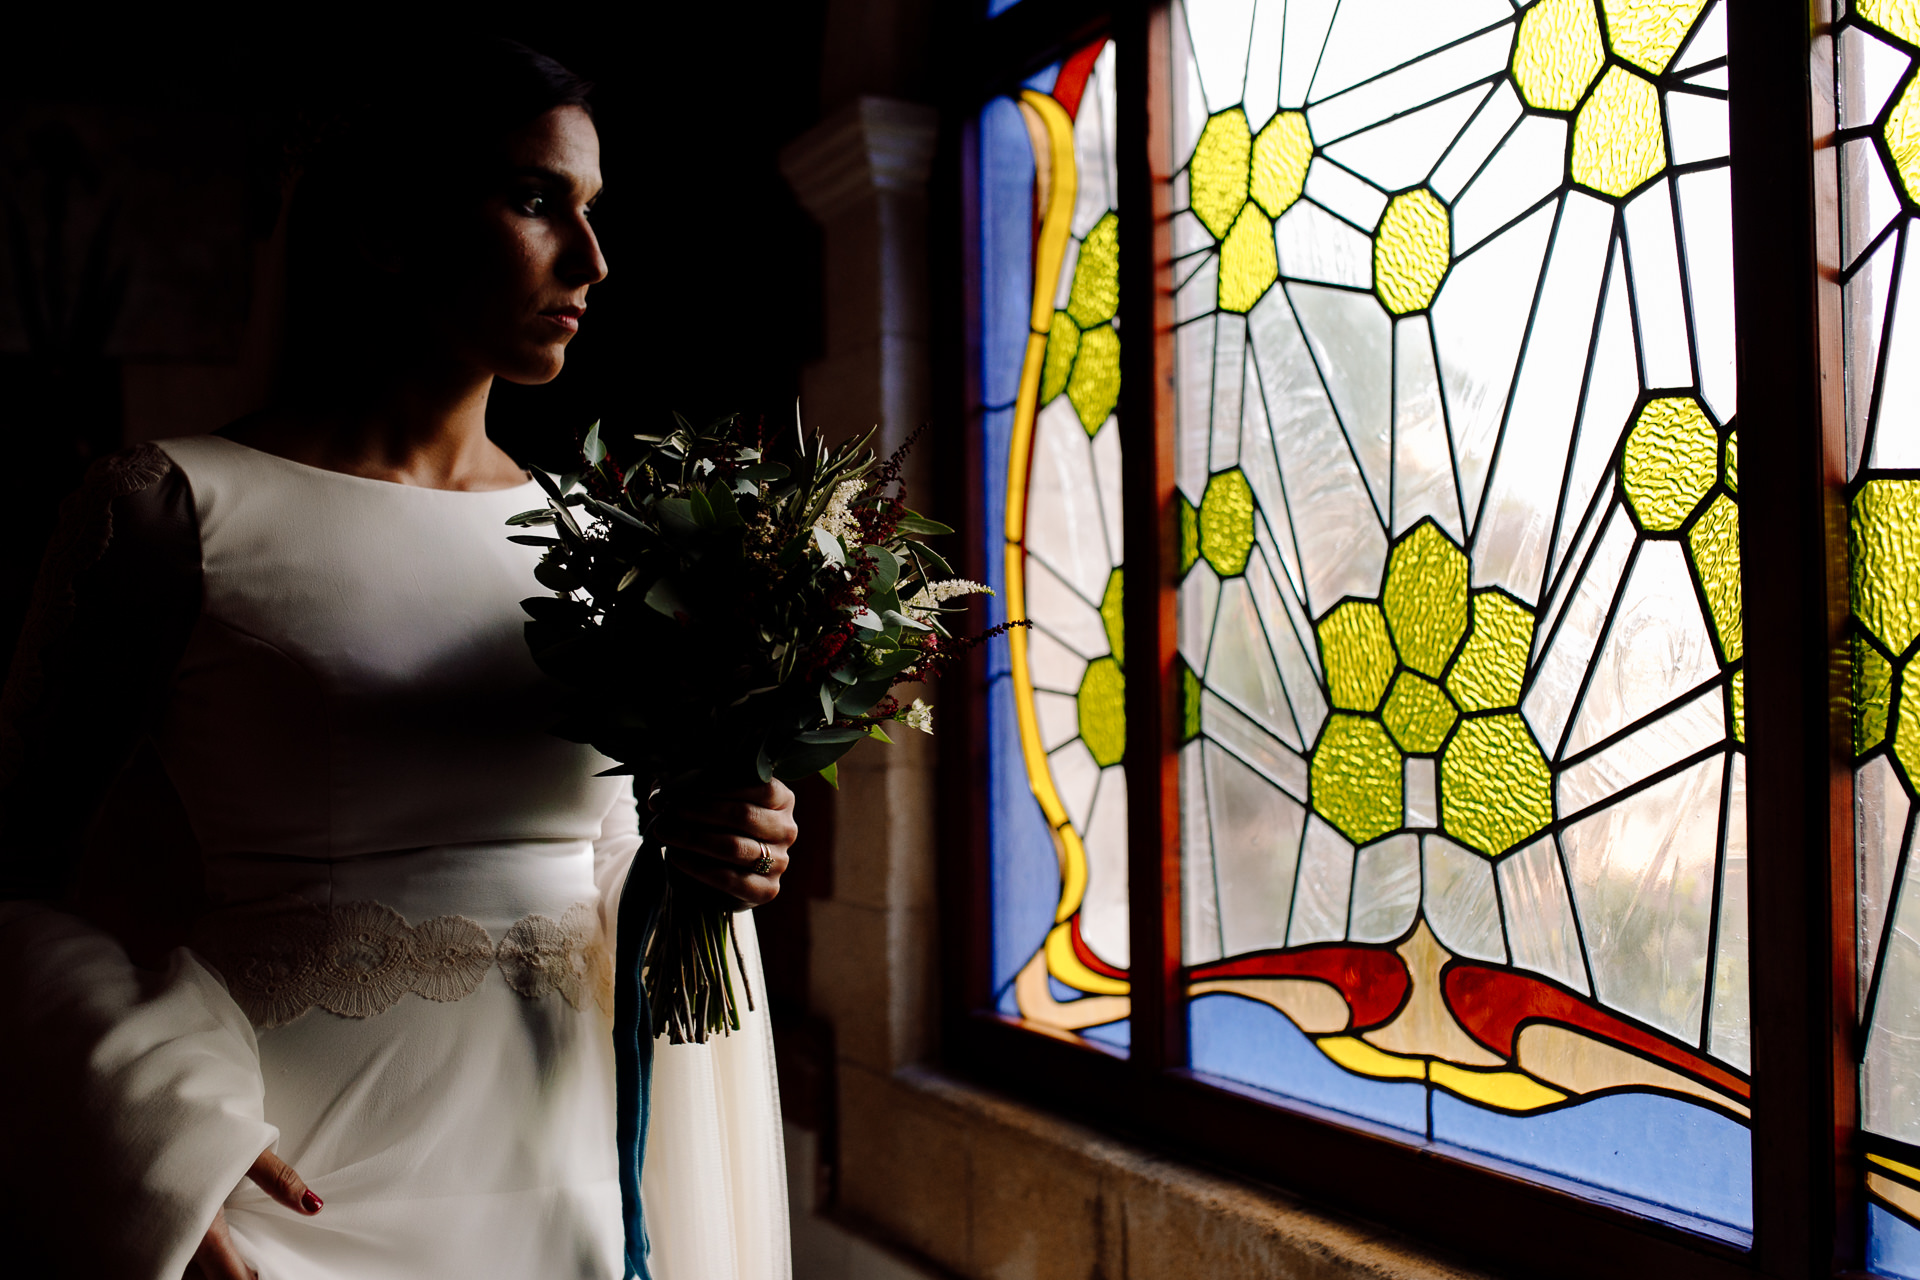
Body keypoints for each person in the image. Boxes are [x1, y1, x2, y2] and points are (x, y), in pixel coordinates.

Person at [0, 39, 794, 1280]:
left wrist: (716, 841)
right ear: (385, 228)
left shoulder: (598, 543)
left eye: (593, 211)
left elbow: (609, 850)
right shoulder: (167, 507)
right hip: (298, 1194)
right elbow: (18, 877)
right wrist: (152, 1157)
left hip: (573, 1171)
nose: (591, 260)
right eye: (538, 202)